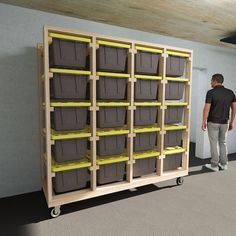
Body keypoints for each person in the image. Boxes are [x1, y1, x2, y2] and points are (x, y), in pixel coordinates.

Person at [202, 73, 236, 171]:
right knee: (223, 143)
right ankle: (224, 164)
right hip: (225, 122)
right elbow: (234, 108)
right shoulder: (231, 93)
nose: (210, 83)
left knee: (213, 143)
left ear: (215, 81)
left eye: (211, 81)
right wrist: (231, 122)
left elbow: (206, 109)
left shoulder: (211, 92)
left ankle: (214, 165)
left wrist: (203, 121)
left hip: (213, 122)